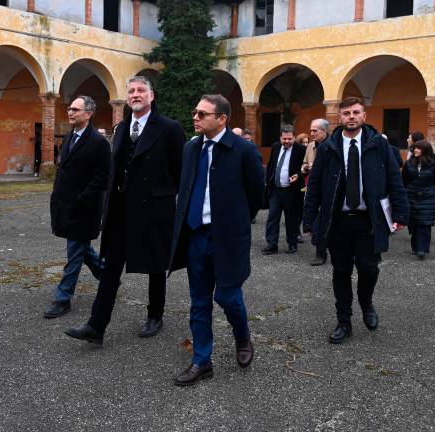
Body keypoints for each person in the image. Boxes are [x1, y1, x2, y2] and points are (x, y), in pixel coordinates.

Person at [64, 76, 185, 344]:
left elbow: (179, 172)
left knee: (155, 264)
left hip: (153, 209)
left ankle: (155, 314)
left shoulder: (169, 128)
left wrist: (162, 197)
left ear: (151, 96)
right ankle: (96, 326)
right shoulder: (120, 129)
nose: (135, 94)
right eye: (131, 91)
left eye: (141, 90)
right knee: (109, 267)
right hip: (120, 210)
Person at [168, 94, 265, 386]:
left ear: (222, 119)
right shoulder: (191, 148)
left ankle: (243, 337)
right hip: (196, 235)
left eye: (202, 114)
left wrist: (235, 222)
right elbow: (184, 189)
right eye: (195, 112)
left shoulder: (243, 150)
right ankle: (201, 360)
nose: (195, 117)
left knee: (227, 296)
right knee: (199, 301)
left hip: (227, 237)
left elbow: (257, 195)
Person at [303, 97, 408, 344]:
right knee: (340, 271)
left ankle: (366, 302)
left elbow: (394, 179)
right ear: (339, 118)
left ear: (364, 115)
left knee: (369, 268)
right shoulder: (328, 147)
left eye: (356, 112)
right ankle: (344, 321)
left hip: (368, 220)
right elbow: (315, 184)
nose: (351, 116)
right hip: (337, 221)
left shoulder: (378, 145)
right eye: (347, 113)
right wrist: (309, 219)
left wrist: (401, 213)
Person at [44, 96, 110, 318]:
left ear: (88, 114)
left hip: (84, 209)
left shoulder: (98, 142)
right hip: (66, 204)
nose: (70, 112)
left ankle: (63, 298)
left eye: (75, 109)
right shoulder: (71, 135)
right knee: (82, 250)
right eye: (69, 108)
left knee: (74, 253)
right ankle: (108, 277)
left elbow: (102, 177)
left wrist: (82, 199)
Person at [262, 125, 306, 255]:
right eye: (284, 139)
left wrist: (298, 175)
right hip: (276, 189)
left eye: (289, 139)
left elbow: (305, 169)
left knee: (291, 218)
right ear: (280, 137)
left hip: (292, 191)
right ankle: (271, 244)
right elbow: (271, 164)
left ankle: (292, 244)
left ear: (294, 137)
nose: (286, 141)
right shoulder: (276, 147)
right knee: (272, 217)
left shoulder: (301, 150)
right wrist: (268, 181)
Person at [402, 140, 435, 259]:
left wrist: (430, 191)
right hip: (411, 196)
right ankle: (415, 247)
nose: (415, 150)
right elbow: (404, 179)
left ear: (425, 150)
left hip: (428, 197)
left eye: (418, 148)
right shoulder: (409, 163)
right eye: (415, 148)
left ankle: (422, 249)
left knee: (425, 223)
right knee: (414, 222)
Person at [303, 118, 330, 265]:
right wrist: (306, 168)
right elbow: (304, 164)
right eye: (311, 130)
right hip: (314, 185)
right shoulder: (311, 146)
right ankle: (320, 253)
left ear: (324, 131)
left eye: (315, 130)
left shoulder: (332, 146)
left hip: (329, 188)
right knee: (314, 217)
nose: (312, 133)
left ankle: (324, 251)